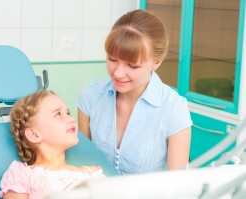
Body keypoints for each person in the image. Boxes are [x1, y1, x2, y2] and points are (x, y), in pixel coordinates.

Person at [77, 9, 192, 175]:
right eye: (112, 59)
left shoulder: (173, 108)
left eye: (133, 65)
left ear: (157, 62)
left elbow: (177, 185)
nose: (118, 73)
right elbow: (82, 165)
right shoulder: (90, 97)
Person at [0, 90, 105, 199]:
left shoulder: (92, 173)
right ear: (34, 135)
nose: (72, 119)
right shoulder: (22, 175)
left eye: (68, 113)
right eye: (58, 114)